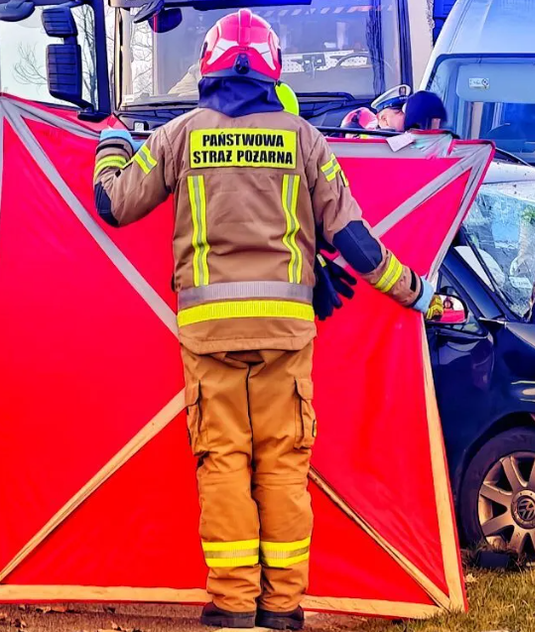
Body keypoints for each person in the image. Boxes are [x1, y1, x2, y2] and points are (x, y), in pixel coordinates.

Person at [92, 10, 435, 630]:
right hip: (286, 336)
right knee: (282, 464)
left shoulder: (180, 135)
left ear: (207, 67)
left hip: (209, 333)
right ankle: (282, 608)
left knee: (222, 461)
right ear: (273, 69)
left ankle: (231, 604)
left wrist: (111, 142)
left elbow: (113, 205)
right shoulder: (303, 138)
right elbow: (354, 240)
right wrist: (412, 290)